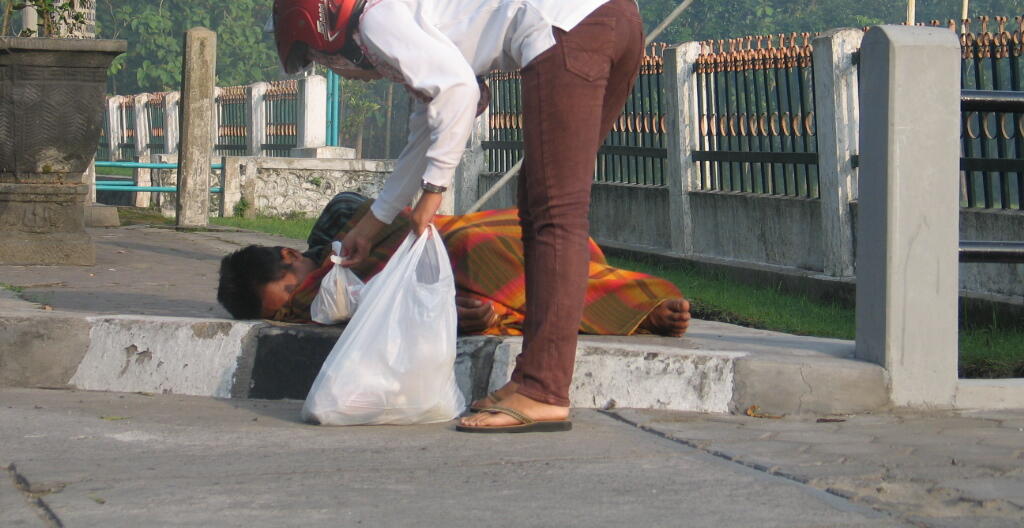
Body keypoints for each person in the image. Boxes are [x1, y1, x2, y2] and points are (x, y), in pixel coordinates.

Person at [272, 0, 650, 432]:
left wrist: (433, 191)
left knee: (554, 213)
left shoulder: (378, 19)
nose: (334, 69)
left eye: (318, 55)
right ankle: (537, 380)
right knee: (545, 210)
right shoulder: (411, 6)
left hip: (568, 27)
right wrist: (375, 221)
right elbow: (427, 129)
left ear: (328, 19)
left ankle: (544, 389)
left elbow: (459, 94)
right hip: (615, 16)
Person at [217, 192, 691, 340]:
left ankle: (629, 298)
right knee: (480, 303)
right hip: (441, 280)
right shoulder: (331, 301)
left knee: (468, 243)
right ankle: (632, 311)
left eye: (286, 298)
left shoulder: (339, 227)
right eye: (281, 316)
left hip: (445, 236)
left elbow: (395, 220)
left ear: (289, 258)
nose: (292, 310)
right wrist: (441, 313)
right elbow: (384, 308)